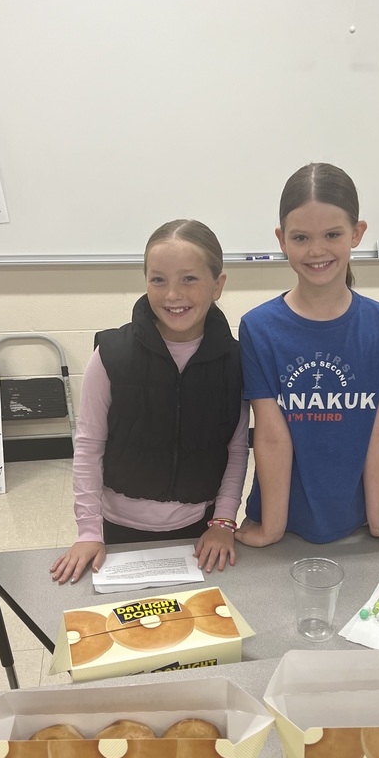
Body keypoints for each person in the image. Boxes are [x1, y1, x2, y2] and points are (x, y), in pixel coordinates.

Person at [50, 219, 249, 583]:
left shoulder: (235, 362)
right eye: (158, 279)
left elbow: (236, 450)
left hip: (200, 530)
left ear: (218, 285)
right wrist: (89, 531)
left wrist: (223, 521)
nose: (173, 294)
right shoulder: (112, 354)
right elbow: (89, 447)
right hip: (118, 530)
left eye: (189, 278)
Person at [235, 163, 379, 547]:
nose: (316, 250)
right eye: (300, 237)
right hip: (280, 517)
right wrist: (273, 526)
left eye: (332, 234)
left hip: (358, 520)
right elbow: (270, 437)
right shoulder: (258, 328)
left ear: (357, 233)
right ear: (281, 239)